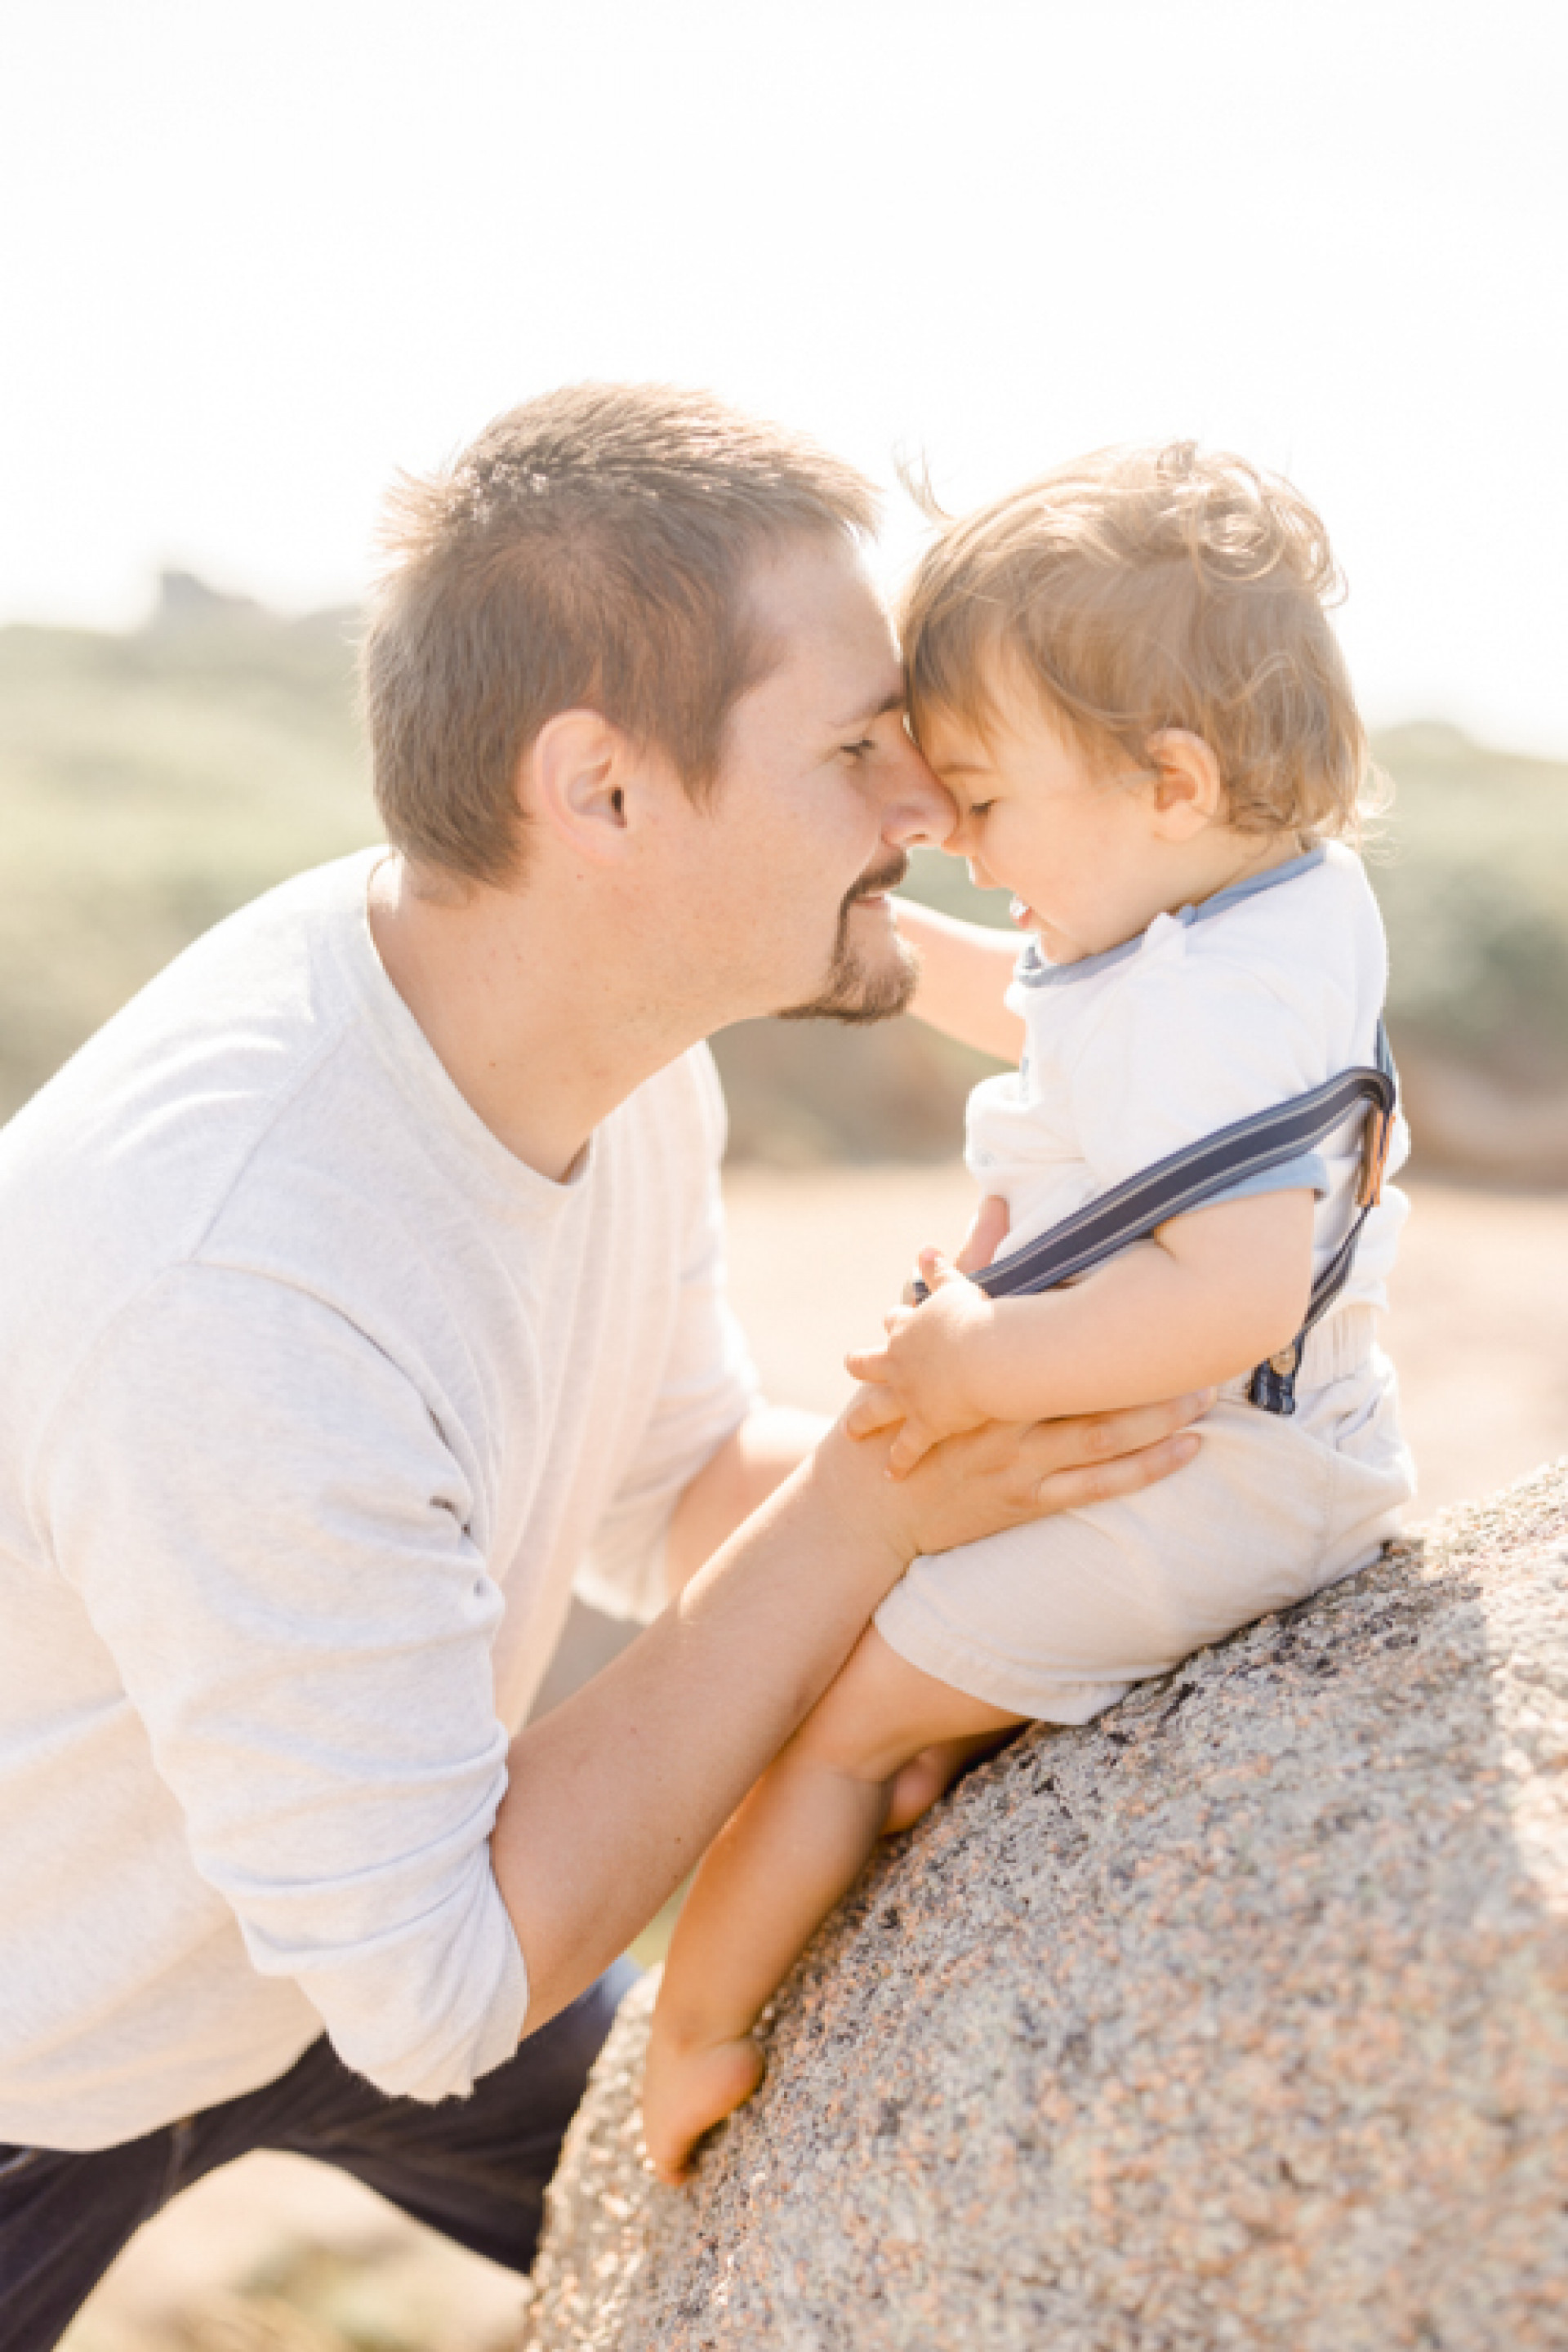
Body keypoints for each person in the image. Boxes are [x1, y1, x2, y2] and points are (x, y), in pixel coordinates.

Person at [0, 385, 1205, 2351]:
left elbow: (683, 1479)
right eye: (853, 747)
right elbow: (441, 1984)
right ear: (605, 791)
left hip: (361, 1889)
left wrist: (1029, 1461)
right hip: (45, 2037)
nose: (930, 806)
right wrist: (866, 1506)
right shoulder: (230, 1282)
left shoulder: (606, 1044)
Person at [641, 441, 1416, 2182]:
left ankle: (689, 2042)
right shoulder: (1251, 908)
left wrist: (975, 1355)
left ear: (1168, 776)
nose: (957, 836)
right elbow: (1070, 1018)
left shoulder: (1202, 1004)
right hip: (1282, 1445)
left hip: (1207, 1475)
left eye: (983, 801)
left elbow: (1222, 1301)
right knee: (882, 1630)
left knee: (828, 1713)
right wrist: (882, 949)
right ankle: (955, 1716)